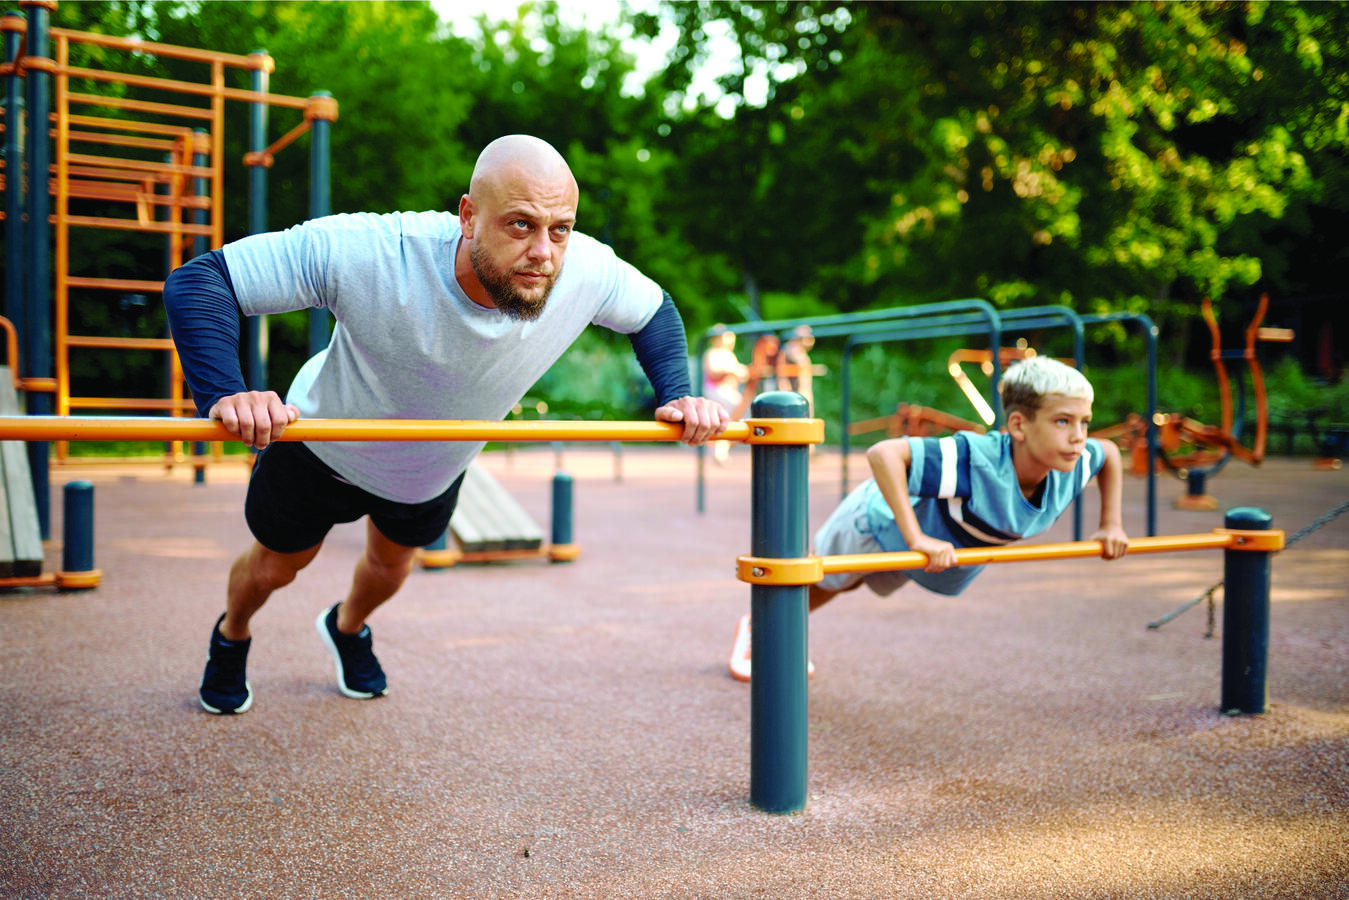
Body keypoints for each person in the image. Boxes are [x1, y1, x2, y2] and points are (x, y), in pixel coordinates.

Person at [163, 134, 730, 715]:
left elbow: (654, 309)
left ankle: (347, 626)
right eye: (520, 225)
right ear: (468, 216)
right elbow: (202, 281)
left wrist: (680, 395)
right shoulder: (379, 252)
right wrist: (227, 392)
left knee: (390, 568)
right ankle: (232, 633)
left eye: (560, 228)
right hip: (323, 447)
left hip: (430, 467)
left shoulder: (583, 268)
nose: (544, 252)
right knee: (276, 567)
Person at [728, 355, 1129, 682]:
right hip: (877, 518)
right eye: (1063, 421)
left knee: (850, 586)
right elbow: (883, 455)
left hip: (926, 541)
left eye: (1084, 422)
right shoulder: (977, 460)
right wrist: (916, 537)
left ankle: (772, 628)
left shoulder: (1073, 461)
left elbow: (1108, 453)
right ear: (1019, 425)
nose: (1079, 436)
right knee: (828, 581)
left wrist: (1111, 524)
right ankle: (757, 628)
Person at [702, 327, 748, 464]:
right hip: (716, 391)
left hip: (729, 392)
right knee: (725, 419)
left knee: (732, 419)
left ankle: (721, 449)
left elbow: (741, 373)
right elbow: (712, 370)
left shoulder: (729, 355)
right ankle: (718, 448)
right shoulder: (712, 353)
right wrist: (730, 371)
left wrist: (740, 372)